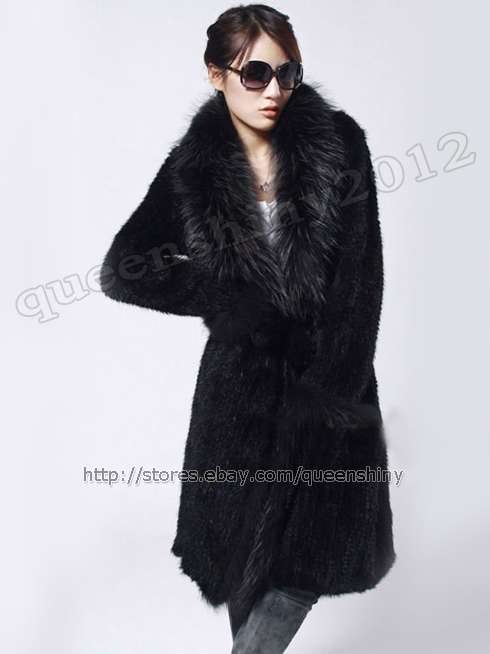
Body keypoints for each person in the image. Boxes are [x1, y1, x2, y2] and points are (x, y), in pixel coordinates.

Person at [99, 5, 396, 653]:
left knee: (298, 570)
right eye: (255, 73)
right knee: (243, 571)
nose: (274, 90)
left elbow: (361, 283)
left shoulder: (339, 145)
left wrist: (329, 400)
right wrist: (230, 298)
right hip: (235, 401)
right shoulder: (194, 165)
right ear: (216, 74)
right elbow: (125, 268)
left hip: (330, 386)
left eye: (288, 73)